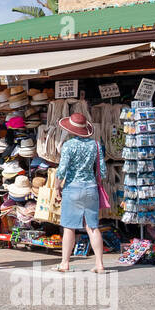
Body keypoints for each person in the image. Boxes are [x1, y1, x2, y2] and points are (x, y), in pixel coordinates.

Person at [53, 112, 107, 274]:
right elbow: (102, 172)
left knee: (69, 227)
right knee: (92, 227)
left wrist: (57, 188)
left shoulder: (68, 146)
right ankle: (99, 264)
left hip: (72, 188)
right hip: (90, 188)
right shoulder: (95, 145)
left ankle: (65, 263)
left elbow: (61, 170)